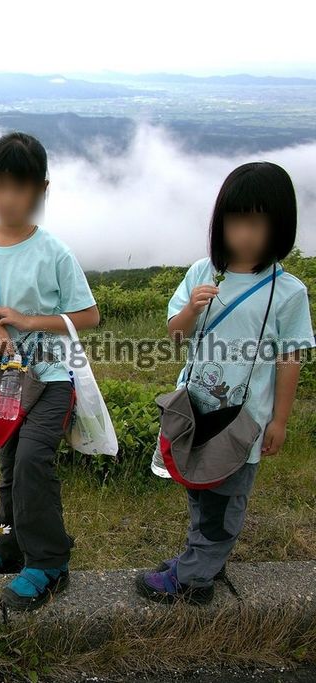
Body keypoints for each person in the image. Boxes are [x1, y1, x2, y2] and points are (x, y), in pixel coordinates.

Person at [137, 161, 314, 604]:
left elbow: (290, 358)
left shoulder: (287, 291)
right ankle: (202, 562)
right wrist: (192, 310)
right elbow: (175, 333)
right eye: (237, 220)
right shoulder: (203, 273)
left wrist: (280, 420)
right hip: (196, 413)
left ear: (279, 226)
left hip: (244, 421)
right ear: (221, 223)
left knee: (224, 501)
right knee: (200, 488)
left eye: (259, 221)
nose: (247, 233)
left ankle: (193, 577)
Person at [0, 132, 100, 611]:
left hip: (51, 378)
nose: (9, 198)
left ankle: (50, 562)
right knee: (11, 468)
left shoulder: (54, 252)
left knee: (33, 458)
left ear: (41, 190)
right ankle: (8, 549)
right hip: (5, 380)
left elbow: (88, 316)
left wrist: (30, 321)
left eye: (22, 187)